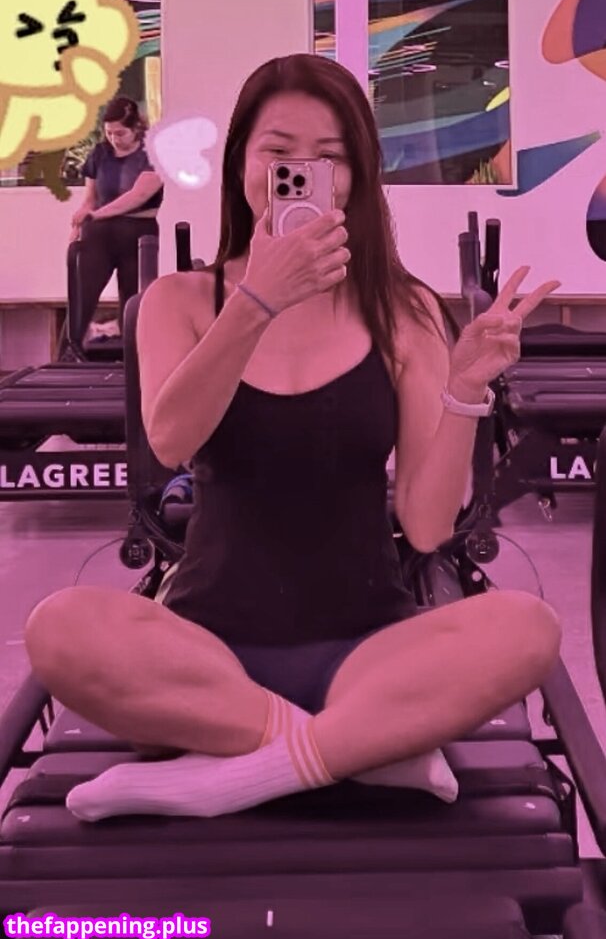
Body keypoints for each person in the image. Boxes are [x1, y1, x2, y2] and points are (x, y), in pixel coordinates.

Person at [25, 54, 562, 823]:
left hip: (369, 651)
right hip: (205, 657)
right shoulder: (179, 301)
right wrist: (256, 302)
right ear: (242, 165)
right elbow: (170, 442)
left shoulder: (402, 309)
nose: (302, 173)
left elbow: (427, 526)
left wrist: (466, 387)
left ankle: (237, 773)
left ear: (356, 177)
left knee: (527, 629)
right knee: (60, 627)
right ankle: (359, 751)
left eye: (329, 157)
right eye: (278, 153)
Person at [69, 96, 164, 333]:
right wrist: (78, 225)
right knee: (83, 295)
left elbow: (138, 196)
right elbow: (90, 200)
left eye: (120, 133)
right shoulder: (100, 153)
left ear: (136, 129)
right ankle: (71, 347)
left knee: (132, 299)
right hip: (100, 233)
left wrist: (96, 215)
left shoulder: (153, 153)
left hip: (137, 232)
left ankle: (132, 349)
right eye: (109, 133)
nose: (114, 139)